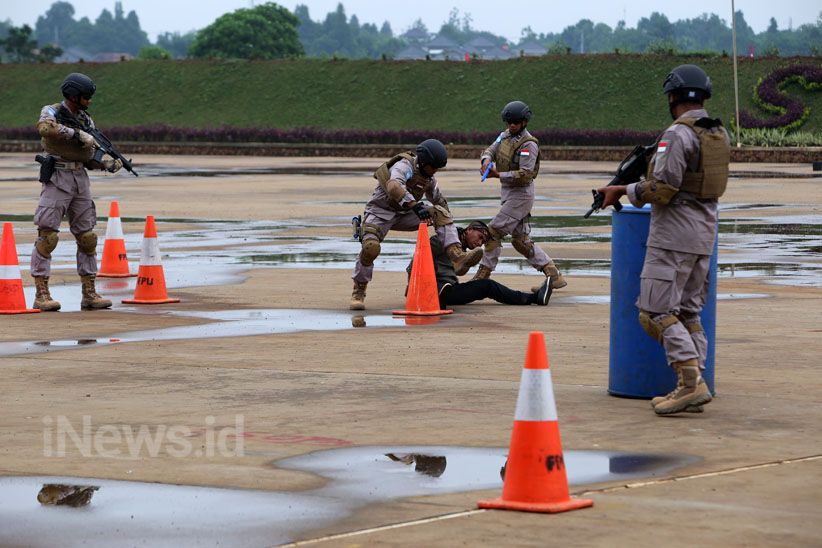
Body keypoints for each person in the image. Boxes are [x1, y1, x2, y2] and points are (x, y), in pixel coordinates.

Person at [595, 64, 730, 416]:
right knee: (688, 313)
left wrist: (622, 189)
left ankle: (689, 382)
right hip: (703, 235)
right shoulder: (716, 133)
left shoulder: (677, 135)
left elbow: (664, 188)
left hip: (672, 237)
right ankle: (693, 384)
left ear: (673, 96)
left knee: (655, 312)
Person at [350, 139, 482, 310]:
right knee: (370, 248)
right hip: (380, 212)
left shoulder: (429, 178)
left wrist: (447, 220)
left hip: (405, 215)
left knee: (440, 212)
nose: (434, 171)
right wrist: (415, 205)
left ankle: (456, 255)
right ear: (424, 161)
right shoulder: (405, 166)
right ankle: (359, 291)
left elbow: (439, 200)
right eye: (432, 167)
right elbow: (393, 186)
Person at [31, 72, 122, 311]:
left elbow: (90, 157)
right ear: (74, 95)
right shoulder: (51, 111)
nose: (89, 101)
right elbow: (45, 128)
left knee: (87, 237)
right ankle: (42, 293)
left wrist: (106, 163)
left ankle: (89, 293)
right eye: (86, 96)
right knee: (47, 236)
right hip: (58, 177)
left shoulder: (86, 120)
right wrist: (75, 134)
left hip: (80, 178)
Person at [474, 100, 566, 291]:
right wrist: (486, 160)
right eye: (509, 122)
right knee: (520, 241)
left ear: (524, 122)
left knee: (493, 232)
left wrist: (498, 174)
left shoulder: (528, 145)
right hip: (509, 193)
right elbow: (492, 149)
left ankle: (482, 276)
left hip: (521, 195)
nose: (511, 126)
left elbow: (525, 174)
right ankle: (553, 273)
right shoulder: (505, 135)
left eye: (515, 122)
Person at [407, 221, 552, 307]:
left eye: (483, 242)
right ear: (469, 229)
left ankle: (533, 298)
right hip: (425, 290)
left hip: (449, 292)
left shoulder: (461, 249)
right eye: (480, 237)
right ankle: (435, 292)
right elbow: (414, 264)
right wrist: (416, 289)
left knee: (486, 285)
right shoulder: (442, 239)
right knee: (438, 276)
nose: (480, 242)